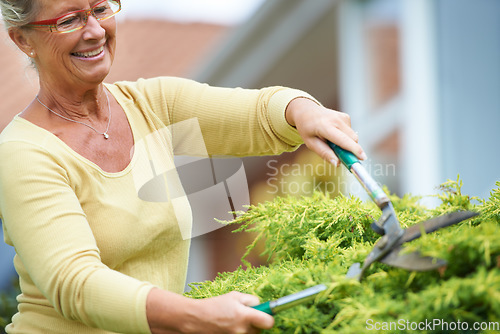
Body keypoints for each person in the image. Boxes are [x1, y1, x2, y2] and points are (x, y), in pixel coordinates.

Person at [0, 0, 366, 333]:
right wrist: (197, 315)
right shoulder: (23, 152)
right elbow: (75, 283)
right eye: (70, 20)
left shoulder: (152, 104)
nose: (95, 30)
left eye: (100, 9)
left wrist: (303, 110)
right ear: (22, 38)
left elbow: (256, 113)